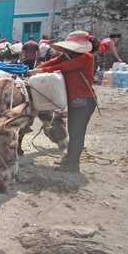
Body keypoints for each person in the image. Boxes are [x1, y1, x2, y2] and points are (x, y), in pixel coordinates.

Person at [29, 31, 96, 173]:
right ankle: (69, 159)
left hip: (84, 100)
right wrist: (36, 69)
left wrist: (40, 71)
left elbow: (62, 68)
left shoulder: (86, 58)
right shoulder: (66, 57)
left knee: (76, 132)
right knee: (73, 131)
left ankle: (72, 165)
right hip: (75, 101)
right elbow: (53, 62)